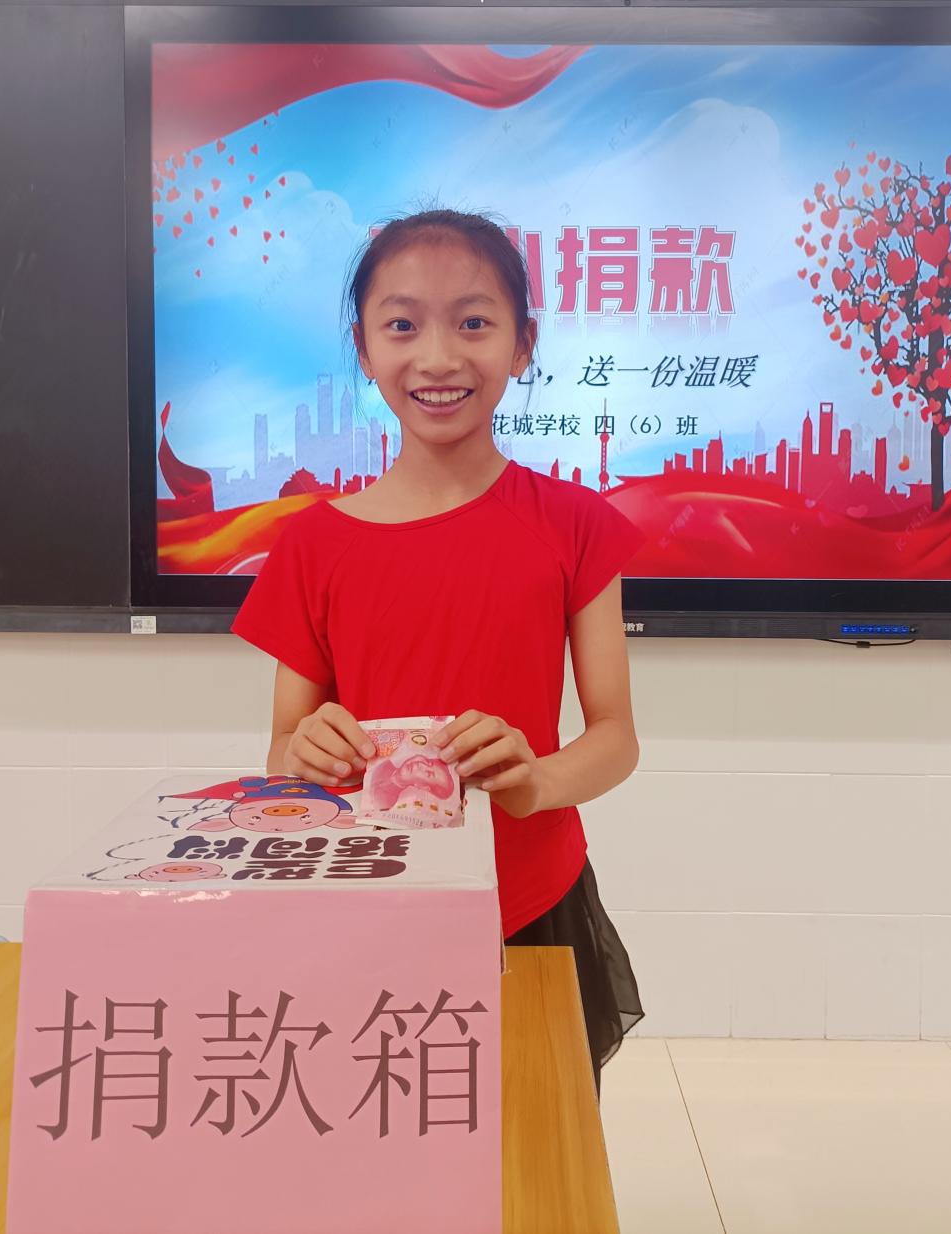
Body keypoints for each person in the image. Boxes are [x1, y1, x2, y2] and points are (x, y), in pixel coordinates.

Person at [232, 206, 646, 1097]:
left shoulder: (575, 525)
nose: (438, 357)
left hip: (531, 896)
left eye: (474, 322)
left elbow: (616, 736)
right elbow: (282, 749)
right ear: (363, 347)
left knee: (535, 1149)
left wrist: (536, 781)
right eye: (402, 325)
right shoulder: (312, 545)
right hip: (366, 900)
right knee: (372, 1139)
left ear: (523, 344)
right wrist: (306, 754)